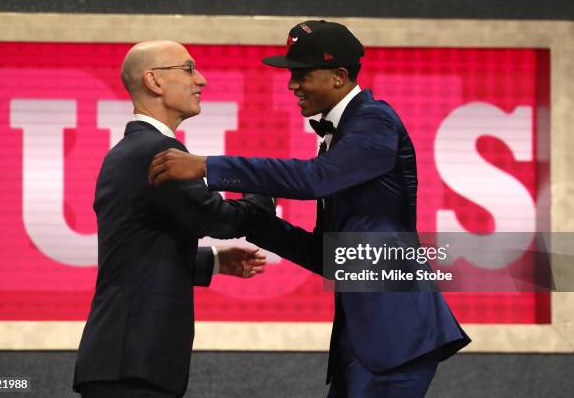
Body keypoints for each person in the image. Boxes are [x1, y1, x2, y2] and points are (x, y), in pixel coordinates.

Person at [148, 21, 471, 397]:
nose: (291, 85)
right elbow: (330, 258)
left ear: (339, 76)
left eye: (301, 74)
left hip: (395, 337)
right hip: (364, 341)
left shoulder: (375, 120)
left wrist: (209, 166)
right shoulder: (341, 137)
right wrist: (254, 221)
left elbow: (314, 179)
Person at [73, 41, 276, 398]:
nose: (201, 80)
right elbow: (223, 220)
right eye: (188, 68)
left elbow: (135, 249)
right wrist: (261, 182)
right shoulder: (156, 152)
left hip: (121, 359)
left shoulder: (128, 150)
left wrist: (212, 261)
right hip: (134, 362)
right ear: (154, 81)